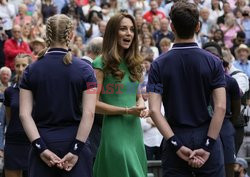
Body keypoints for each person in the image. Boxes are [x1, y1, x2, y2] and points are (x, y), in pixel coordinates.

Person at [147, 1, 226, 177]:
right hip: (207, 132)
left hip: (174, 134)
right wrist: (208, 145)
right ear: (198, 26)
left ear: (172, 27)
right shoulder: (213, 61)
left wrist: (175, 144)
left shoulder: (159, 64)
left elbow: (153, 109)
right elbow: (220, 107)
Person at [19, 14, 97, 177]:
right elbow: (89, 113)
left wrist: (41, 148)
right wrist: (76, 150)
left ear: (47, 35)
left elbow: (24, 114)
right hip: (75, 141)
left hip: (42, 141)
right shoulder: (85, 69)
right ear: (70, 35)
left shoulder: (31, 70)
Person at [92, 13, 147, 177]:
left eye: (131, 29)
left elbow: (136, 95)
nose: (129, 33)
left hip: (134, 131)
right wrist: (127, 110)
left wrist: (141, 103)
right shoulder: (100, 63)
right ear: (112, 32)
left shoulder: (134, 62)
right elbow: (93, 104)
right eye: (123, 29)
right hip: (114, 131)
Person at [203, 42, 241, 177]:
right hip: (202, 126)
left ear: (220, 58)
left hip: (225, 127)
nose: (212, 59)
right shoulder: (197, 82)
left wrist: (226, 121)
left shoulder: (230, 82)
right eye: (207, 56)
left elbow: (237, 110)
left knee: (228, 166)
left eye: (215, 56)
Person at [4, 54, 32, 177]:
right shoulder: (9, 91)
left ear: (30, 66)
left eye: (24, 65)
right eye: (17, 65)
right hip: (13, 141)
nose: (20, 69)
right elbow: (8, 117)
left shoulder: (38, 89)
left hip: (32, 141)